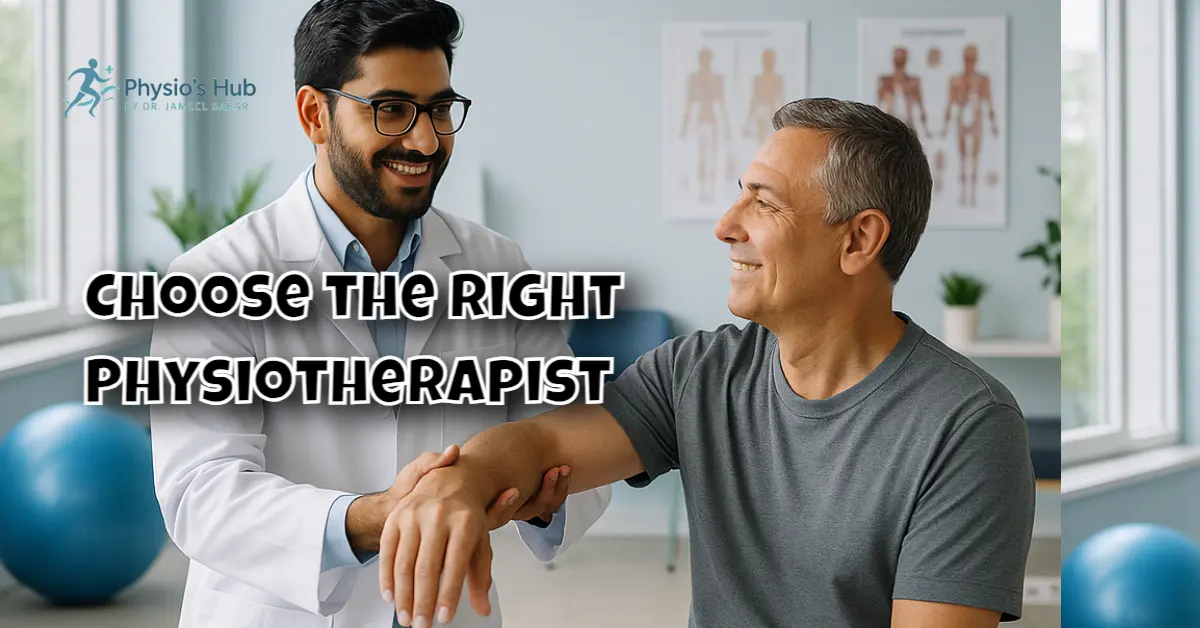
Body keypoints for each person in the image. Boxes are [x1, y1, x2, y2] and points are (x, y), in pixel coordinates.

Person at [377, 98, 1036, 628]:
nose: (725, 225)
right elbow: (546, 441)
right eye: (739, 194)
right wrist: (460, 483)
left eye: (765, 202)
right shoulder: (699, 372)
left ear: (859, 239)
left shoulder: (968, 427)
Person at [147, 2, 611, 627]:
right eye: (391, 109)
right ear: (315, 115)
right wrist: (377, 516)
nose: (425, 141)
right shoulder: (216, 276)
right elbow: (200, 492)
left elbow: (572, 439)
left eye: (439, 109)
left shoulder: (498, 265)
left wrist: (536, 492)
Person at [941, 43, 999, 208]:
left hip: (976, 119)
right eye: (967, 58)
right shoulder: (955, 81)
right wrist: (945, 127)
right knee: (962, 157)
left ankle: (972, 194)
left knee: (974, 158)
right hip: (961, 119)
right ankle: (962, 194)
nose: (969, 62)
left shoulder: (983, 80)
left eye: (972, 58)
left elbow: (989, 103)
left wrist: (993, 125)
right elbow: (950, 103)